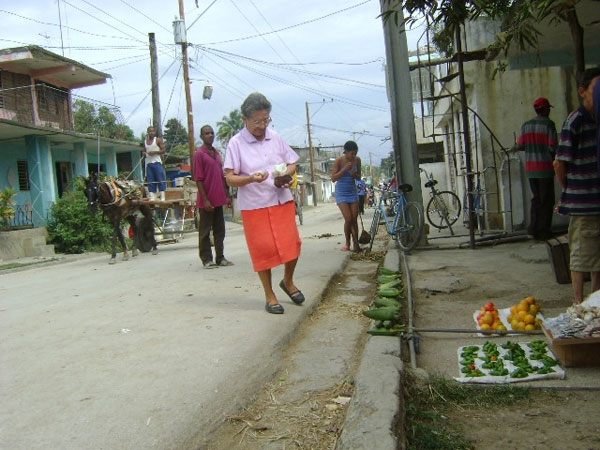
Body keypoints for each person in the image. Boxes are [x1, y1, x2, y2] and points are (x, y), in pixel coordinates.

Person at [223, 92, 304, 315]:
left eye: (266, 120)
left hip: (280, 200)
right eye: (257, 121)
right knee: (263, 251)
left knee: (293, 245)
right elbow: (230, 177)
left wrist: (285, 176)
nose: (262, 125)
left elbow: (291, 164)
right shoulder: (236, 143)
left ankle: (288, 281)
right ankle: (270, 295)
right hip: (254, 205)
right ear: (245, 119)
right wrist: (250, 178)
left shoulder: (275, 137)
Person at [554, 68, 600, 304]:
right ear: (583, 92)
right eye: (596, 89)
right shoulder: (576, 121)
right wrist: (569, 192)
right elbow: (559, 163)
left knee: (597, 258)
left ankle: (595, 303)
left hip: (597, 202)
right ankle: (579, 303)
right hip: (582, 204)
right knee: (582, 255)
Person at [515, 97, 558, 240]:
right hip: (545, 169)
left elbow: (520, 145)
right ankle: (544, 231)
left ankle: (533, 229)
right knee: (547, 200)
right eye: (549, 109)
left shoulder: (526, 125)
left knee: (536, 199)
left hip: (531, 170)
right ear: (545, 110)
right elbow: (553, 147)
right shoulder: (549, 125)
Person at [194, 125, 233, 269]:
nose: (210, 135)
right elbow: (198, 179)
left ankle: (220, 257)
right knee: (205, 232)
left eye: (211, 133)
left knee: (219, 231)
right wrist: (205, 200)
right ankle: (206, 259)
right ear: (201, 136)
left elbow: (222, 177)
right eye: (206, 133)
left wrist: (226, 195)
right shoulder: (199, 154)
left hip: (218, 199)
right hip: (207, 201)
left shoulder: (216, 154)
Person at [331, 140, 362, 252]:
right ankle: (347, 243)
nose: (353, 156)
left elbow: (359, 177)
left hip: (352, 191)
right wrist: (344, 169)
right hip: (341, 192)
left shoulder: (357, 160)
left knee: (354, 219)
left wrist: (355, 174)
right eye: (351, 153)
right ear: (346, 152)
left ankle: (356, 244)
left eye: (355, 153)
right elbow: (333, 178)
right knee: (348, 219)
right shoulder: (339, 161)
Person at [143, 126, 167, 201]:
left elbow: (163, 150)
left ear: (155, 132)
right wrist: (144, 153)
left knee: (160, 179)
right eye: (150, 131)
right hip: (148, 164)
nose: (151, 133)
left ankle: (162, 195)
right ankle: (152, 196)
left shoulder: (157, 140)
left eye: (153, 131)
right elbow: (144, 151)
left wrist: (154, 152)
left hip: (157, 162)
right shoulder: (145, 142)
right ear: (147, 132)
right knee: (150, 180)